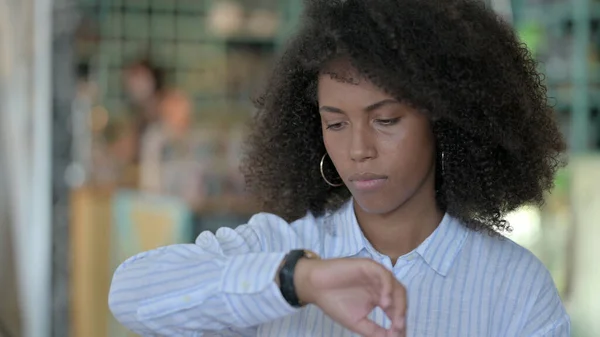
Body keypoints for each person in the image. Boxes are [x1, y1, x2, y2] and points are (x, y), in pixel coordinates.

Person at [108, 0, 569, 336]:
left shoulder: (514, 287)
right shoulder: (282, 247)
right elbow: (130, 293)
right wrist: (298, 280)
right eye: (336, 123)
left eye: (385, 120)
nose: (358, 149)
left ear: (446, 120)